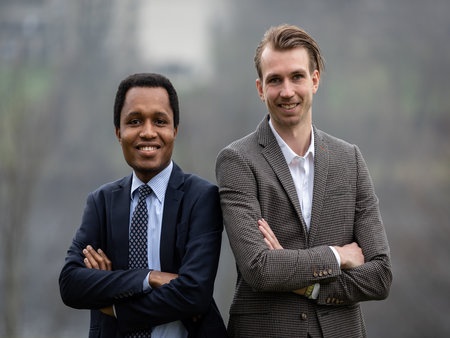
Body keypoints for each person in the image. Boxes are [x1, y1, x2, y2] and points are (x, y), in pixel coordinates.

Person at [215, 24, 392, 338]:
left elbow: (379, 276)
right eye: (275, 80)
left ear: (315, 80)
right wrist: (338, 256)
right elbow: (258, 268)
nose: (286, 91)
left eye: (296, 76)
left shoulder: (349, 159)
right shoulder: (236, 161)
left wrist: (307, 287)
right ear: (260, 88)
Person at [59, 73, 227, 337]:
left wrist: (112, 303)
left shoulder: (201, 198)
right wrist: (150, 278)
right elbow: (71, 284)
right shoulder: (101, 202)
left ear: (175, 130)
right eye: (135, 121)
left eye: (160, 121)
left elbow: (194, 294)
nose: (148, 132)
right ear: (118, 132)